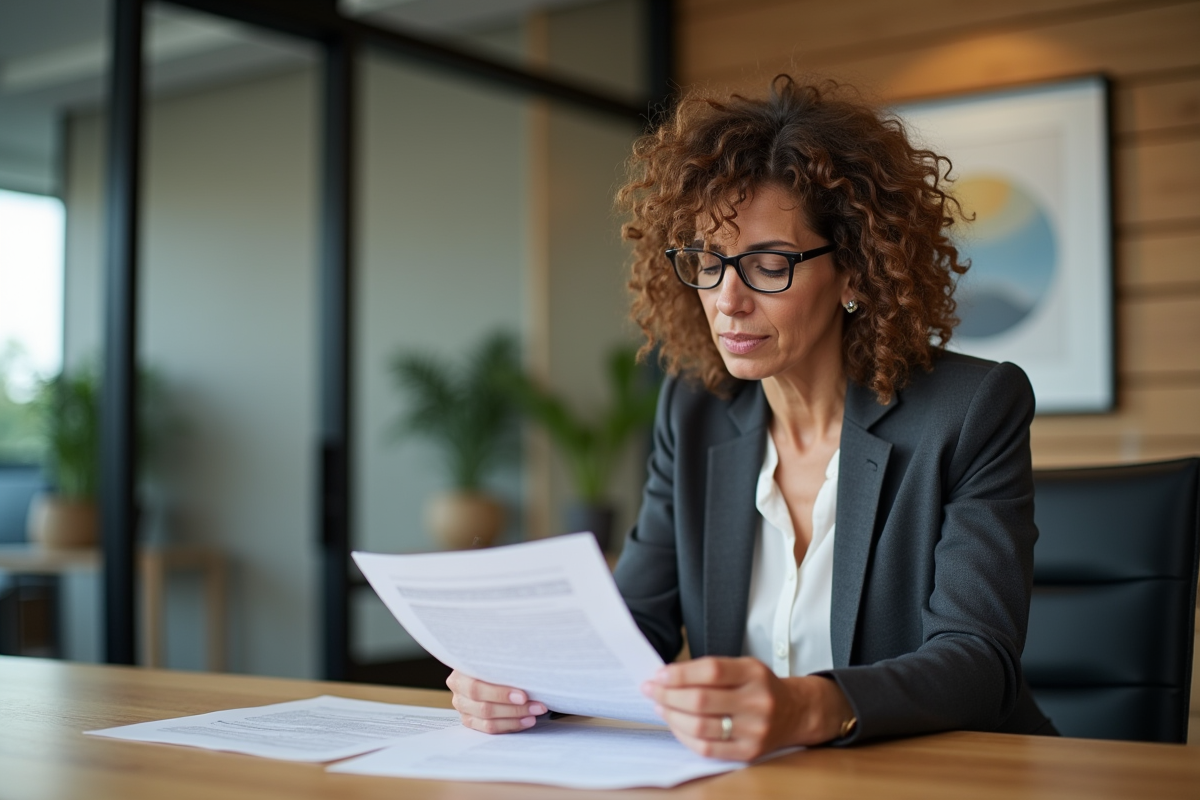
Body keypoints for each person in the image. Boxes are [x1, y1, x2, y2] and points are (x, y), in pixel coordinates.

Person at [446, 75, 1057, 760]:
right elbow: (638, 623)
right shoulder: (695, 409)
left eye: (768, 264)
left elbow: (978, 660)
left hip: (945, 775)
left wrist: (809, 706)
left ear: (854, 272)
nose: (727, 300)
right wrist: (525, 681)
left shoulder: (971, 410)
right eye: (708, 261)